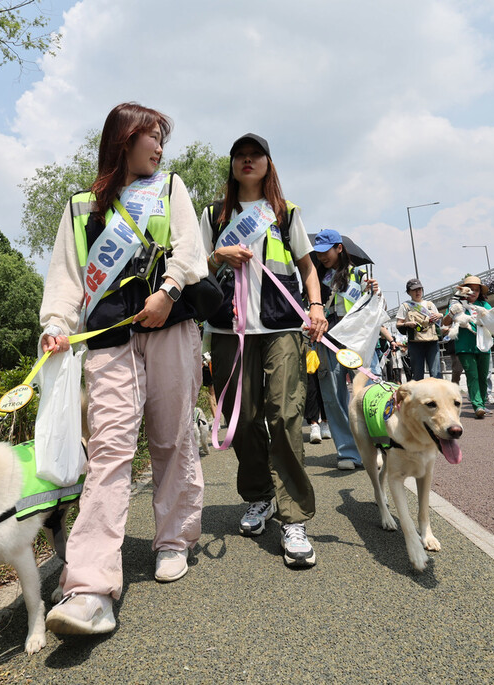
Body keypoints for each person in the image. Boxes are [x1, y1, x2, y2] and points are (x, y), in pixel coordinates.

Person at [38, 103, 207, 634]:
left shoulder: (172, 187)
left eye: (162, 139)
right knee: (109, 448)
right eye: (152, 138)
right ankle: (89, 587)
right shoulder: (79, 207)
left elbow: (191, 253)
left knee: (172, 437)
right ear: (124, 139)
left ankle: (173, 538)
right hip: (108, 337)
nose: (159, 148)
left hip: (171, 327)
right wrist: (55, 323)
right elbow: (66, 279)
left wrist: (168, 291)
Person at [201, 133, 327, 567]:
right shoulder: (213, 215)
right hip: (229, 328)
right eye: (240, 156)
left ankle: (294, 517)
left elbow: (307, 267)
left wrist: (315, 307)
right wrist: (218, 256)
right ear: (232, 165)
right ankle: (260, 496)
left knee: (286, 412)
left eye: (256, 155)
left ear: (269, 164)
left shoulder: (285, 213)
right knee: (242, 417)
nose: (248, 161)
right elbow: (194, 267)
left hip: (281, 326)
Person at [311, 229, 378, 470]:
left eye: (325, 251)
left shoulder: (360, 275)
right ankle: (347, 452)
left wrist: (373, 290)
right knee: (333, 396)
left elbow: (372, 307)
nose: (321, 257)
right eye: (317, 253)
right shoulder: (314, 278)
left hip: (358, 340)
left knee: (368, 393)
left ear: (339, 248)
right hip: (329, 340)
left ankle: (373, 447)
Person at [443, 275, 493, 419]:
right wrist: (452, 312)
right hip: (465, 345)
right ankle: (477, 405)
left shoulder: (484, 305)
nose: (473, 292)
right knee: (473, 375)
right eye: (470, 289)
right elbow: (445, 322)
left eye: (477, 290)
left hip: (483, 344)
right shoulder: (456, 303)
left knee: (483, 375)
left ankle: (482, 404)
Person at [395, 278, 443, 380]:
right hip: (415, 343)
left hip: (432, 342)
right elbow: (398, 324)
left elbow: (439, 322)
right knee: (417, 374)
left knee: (436, 373)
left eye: (419, 289)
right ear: (409, 292)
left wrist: (440, 315)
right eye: (414, 290)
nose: (418, 292)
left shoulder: (430, 305)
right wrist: (407, 324)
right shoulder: (405, 306)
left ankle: (436, 395)